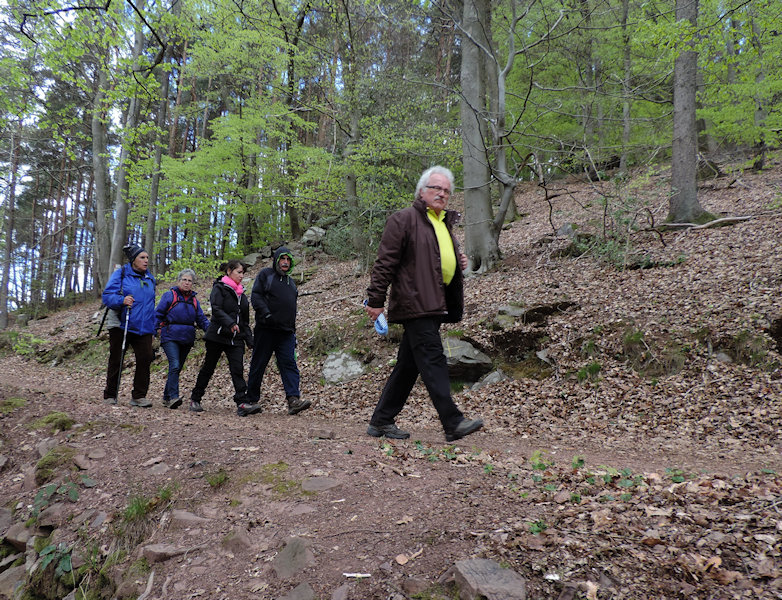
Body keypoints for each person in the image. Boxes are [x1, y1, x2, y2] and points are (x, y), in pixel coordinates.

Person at [364, 166, 483, 441]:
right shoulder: (404, 219)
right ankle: (452, 422)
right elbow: (385, 262)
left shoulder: (442, 222)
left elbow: (434, 257)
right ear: (421, 191)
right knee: (433, 358)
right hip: (415, 301)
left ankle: (381, 420)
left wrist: (458, 260)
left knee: (409, 365)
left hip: (435, 302)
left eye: (446, 190)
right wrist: (376, 299)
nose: (441, 194)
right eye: (435, 188)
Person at [189, 260, 262, 417]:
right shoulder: (219, 288)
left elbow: (244, 321)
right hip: (217, 335)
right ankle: (195, 398)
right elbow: (216, 309)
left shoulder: (242, 295)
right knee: (208, 368)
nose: (241, 276)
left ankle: (242, 403)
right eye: (239, 272)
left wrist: (250, 340)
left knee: (237, 370)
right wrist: (229, 323)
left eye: (243, 273)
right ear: (229, 271)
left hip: (236, 339)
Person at [247, 247, 310, 415]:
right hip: (266, 329)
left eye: (288, 260)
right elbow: (256, 296)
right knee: (259, 364)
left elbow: (292, 309)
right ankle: (250, 400)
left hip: (286, 332)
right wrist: (266, 314)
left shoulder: (291, 283)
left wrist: (293, 332)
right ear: (276, 260)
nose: (285, 262)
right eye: (282, 259)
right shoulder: (266, 275)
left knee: (289, 364)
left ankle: (293, 400)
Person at [102, 243, 157, 407]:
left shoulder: (150, 279)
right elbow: (107, 296)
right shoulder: (121, 274)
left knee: (145, 358)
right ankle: (110, 394)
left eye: (147, 258)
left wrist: (153, 329)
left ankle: (139, 396)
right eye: (142, 257)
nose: (146, 261)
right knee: (116, 359)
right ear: (133, 260)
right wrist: (122, 300)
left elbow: (151, 305)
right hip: (122, 324)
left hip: (144, 326)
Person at [155, 269, 210, 409]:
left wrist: (211, 331)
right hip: (170, 336)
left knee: (177, 368)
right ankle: (174, 397)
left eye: (189, 281)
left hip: (187, 338)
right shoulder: (169, 296)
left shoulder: (194, 301)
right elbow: (158, 314)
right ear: (179, 281)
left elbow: (202, 319)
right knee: (174, 365)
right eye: (184, 280)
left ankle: (167, 397)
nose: (187, 283)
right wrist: (153, 331)